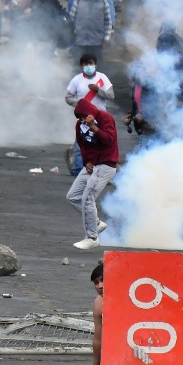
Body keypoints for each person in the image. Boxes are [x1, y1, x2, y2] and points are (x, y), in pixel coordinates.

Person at [68, 87, 120, 249]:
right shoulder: (80, 125)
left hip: (106, 164)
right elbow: (83, 145)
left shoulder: (105, 118)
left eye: (85, 116)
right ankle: (96, 223)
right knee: (73, 196)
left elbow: (109, 140)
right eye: (81, 118)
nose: (83, 120)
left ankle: (92, 237)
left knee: (88, 197)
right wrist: (87, 161)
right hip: (93, 164)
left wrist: (94, 127)